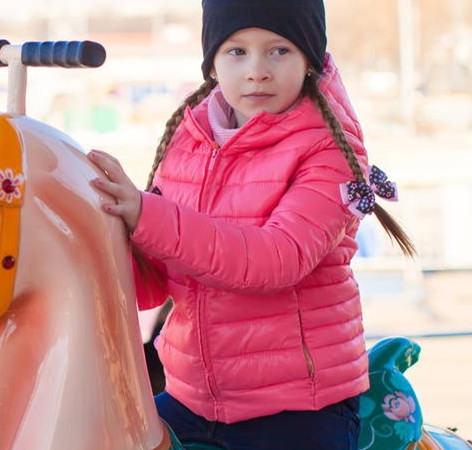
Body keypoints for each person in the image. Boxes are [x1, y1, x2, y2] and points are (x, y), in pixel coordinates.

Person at [88, 0, 415, 448]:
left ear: (310, 59)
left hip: (297, 407)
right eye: (236, 51)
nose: (257, 70)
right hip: (190, 398)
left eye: (278, 50)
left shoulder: (328, 150)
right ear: (213, 63)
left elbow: (275, 260)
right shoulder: (190, 141)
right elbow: (157, 279)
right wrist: (96, 241)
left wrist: (148, 214)